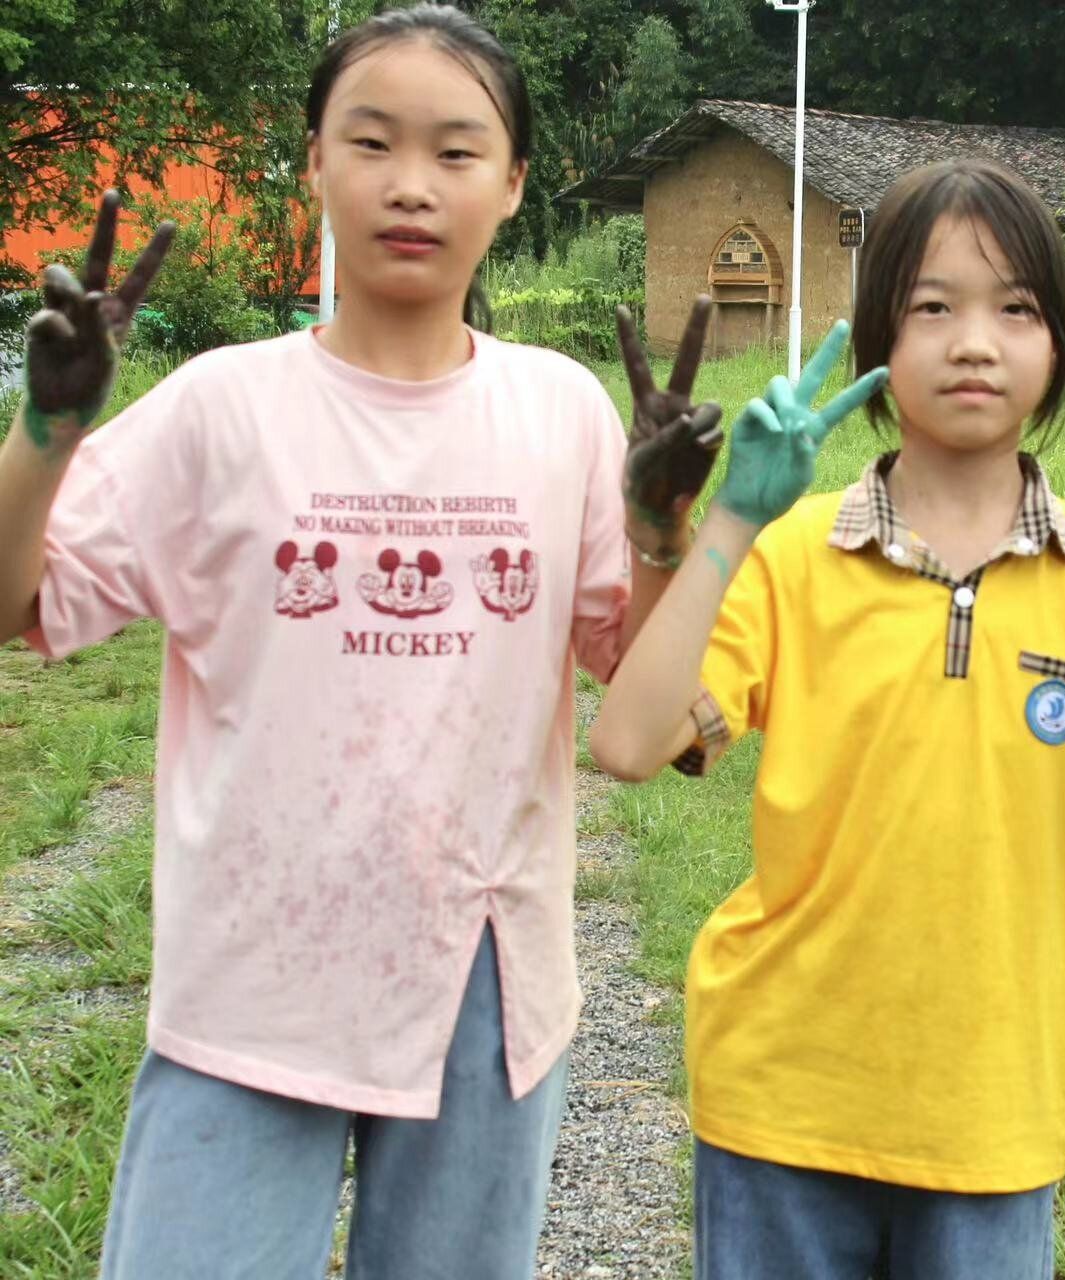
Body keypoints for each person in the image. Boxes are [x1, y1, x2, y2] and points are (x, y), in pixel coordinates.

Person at [0, 5, 723, 1275]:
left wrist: (661, 529)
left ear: (513, 182)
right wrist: (44, 433)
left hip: (482, 982)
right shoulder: (223, 407)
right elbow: (20, 605)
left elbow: (639, 693)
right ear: (315, 163)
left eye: (456, 151)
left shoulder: (557, 410)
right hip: (251, 973)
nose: (410, 184)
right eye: (372, 141)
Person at [590, 157, 1065, 1278]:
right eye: (932, 307)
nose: (974, 343)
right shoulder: (796, 554)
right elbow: (626, 744)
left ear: (1057, 345)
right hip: (779, 1095)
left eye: (1016, 309)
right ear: (878, 338)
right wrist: (728, 520)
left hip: (996, 1112)